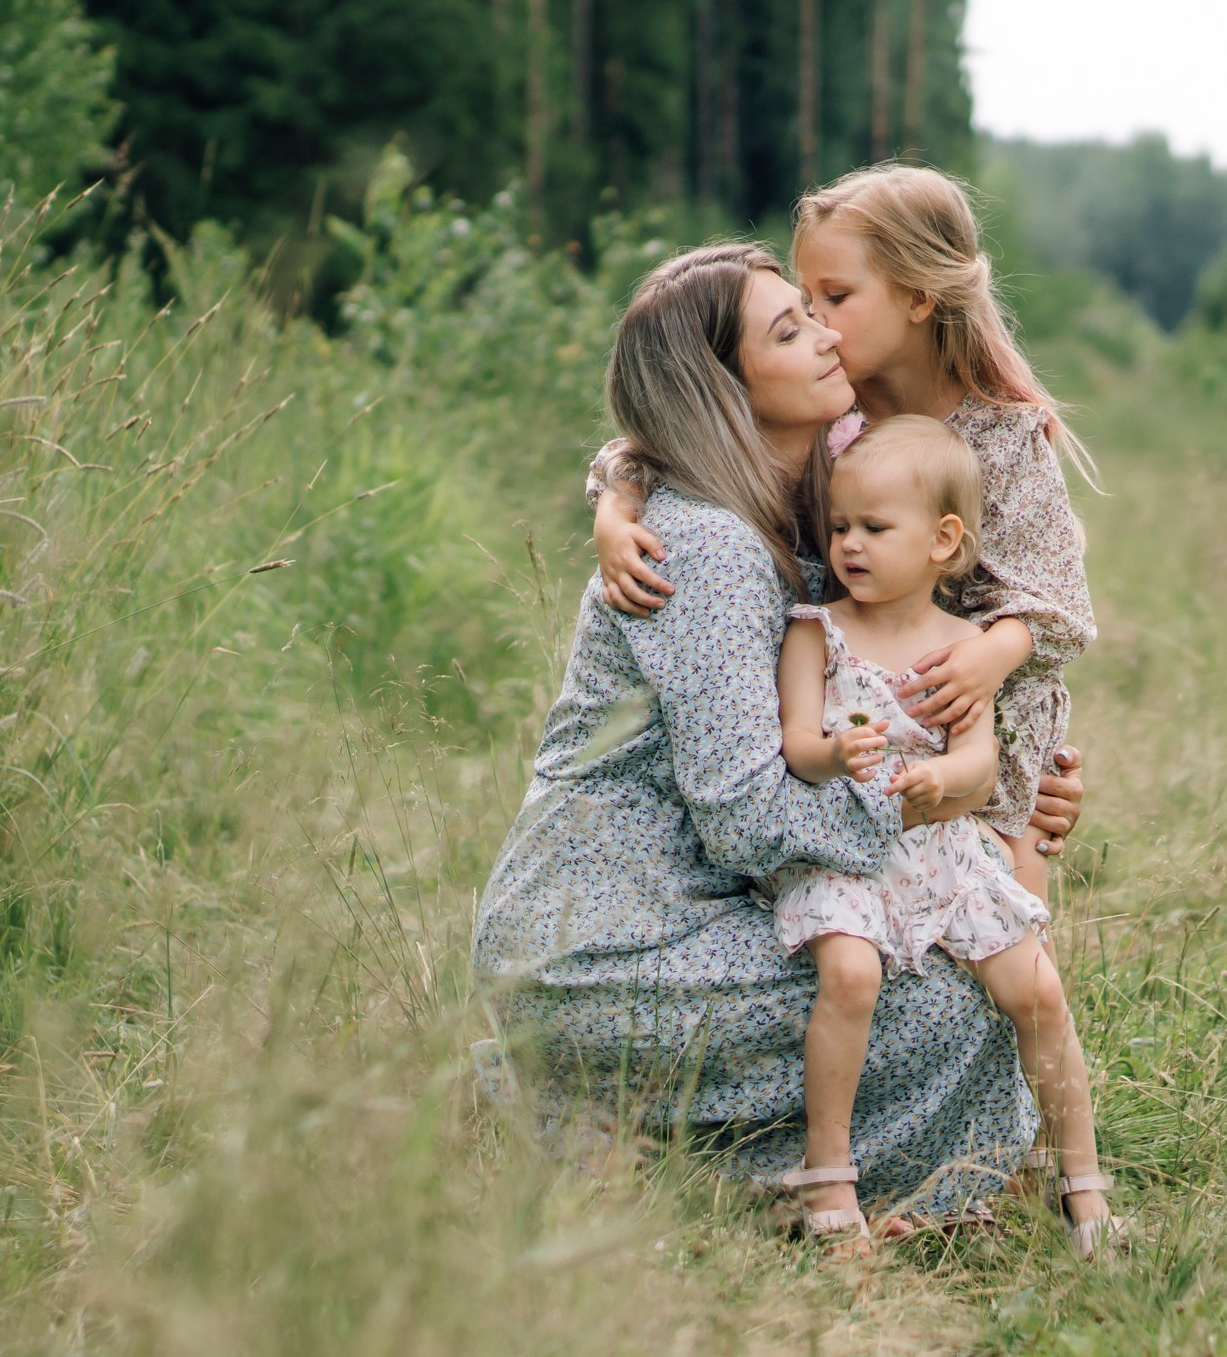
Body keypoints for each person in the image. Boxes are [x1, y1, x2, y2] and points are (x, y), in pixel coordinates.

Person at [472, 243, 1070, 1227]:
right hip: (599, 944)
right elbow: (747, 814)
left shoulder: (814, 523)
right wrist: (932, 797)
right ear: (723, 388)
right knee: (942, 1003)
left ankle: (673, 1146)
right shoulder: (701, 546)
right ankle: (610, 1135)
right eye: (790, 330)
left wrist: (1004, 783)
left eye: (813, 311)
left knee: (978, 976)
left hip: (701, 907)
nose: (828, 333)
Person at [593, 164, 1096, 903]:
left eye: (837, 298)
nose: (819, 326)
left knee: (1009, 965)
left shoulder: (1005, 438)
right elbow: (667, 442)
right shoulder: (833, 415)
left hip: (975, 740)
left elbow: (1061, 606)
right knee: (855, 937)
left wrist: (994, 653)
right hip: (852, 741)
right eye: (806, 301)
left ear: (921, 296)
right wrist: (616, 504)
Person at [771, 415, 1125, 1256]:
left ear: (943, 540)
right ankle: (829, 1176)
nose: (849, 545)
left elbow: (980, 763)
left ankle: (1082, 1180)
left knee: (1035, 989)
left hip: (941, 849)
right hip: (848, 850)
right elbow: (794, 747)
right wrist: (835, 753)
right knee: (848, 975)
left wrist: (944, 780)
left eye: (873, 528)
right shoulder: (815, 630)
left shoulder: (964, 647)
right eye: (841, 526)